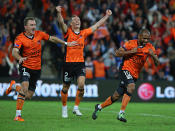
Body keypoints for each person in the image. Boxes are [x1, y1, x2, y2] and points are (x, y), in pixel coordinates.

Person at [5, 17, 78, 121]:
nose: (34, 27)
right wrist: (20, 58)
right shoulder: (20, 38)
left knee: (29, 95)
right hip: (25, 66)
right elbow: (14, 51)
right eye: (31, 25)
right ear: (25, 27)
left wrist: (66, 43)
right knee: (24, 88)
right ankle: (18, 115)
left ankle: (13, 87)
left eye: (34, 24)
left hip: (37, 68)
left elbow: (52, 38)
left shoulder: (39, 34)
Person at [92, 29, 160, 122]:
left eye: (148, 39)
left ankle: (99, 107)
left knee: (116, 96)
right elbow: (117, 53)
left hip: (135, 74)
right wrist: (131, 51)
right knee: (131, 86)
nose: (146, 40)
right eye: (144, 38)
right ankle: (121, 113)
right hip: (125, 69)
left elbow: (157, 63)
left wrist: (153, 56)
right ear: (139, 36)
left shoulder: (150, 47)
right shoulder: (130, 43)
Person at [56, 6, 112, 118]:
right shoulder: (67, 32)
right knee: (65, 87)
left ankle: (76, 107)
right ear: (71, 24)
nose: (77, 21)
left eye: (78, 20)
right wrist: (59, 13)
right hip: (68, 63)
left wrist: (107, 16)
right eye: (74, 20)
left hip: (80, 63)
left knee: (81, 85)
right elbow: (61, 23)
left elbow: (96, 25)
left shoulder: (84, 33)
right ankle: (64, 108)